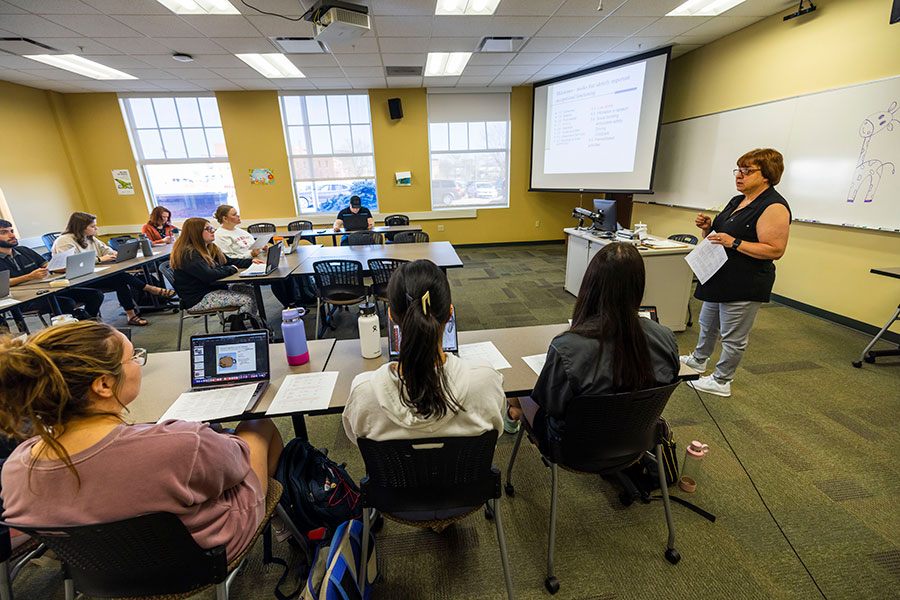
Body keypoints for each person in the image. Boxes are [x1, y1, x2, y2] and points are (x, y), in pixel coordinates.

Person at [0, 320, 283, 562]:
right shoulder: (183, 443)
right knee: (257, 425)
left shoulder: (15, 469)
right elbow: (236, 467)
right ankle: (289, 518)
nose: (138, 362)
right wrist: (214, 438)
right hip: (203, 556)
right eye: (134, 356)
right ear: (104, 385)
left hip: (96, 569)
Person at [505, 243, 680, 445]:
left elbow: (549, 404)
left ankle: (513, 412)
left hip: (573, 447)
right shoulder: (665, 337)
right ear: (639, 286)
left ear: (590, 284)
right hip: (636, 436)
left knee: (517, 391)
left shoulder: (567, 347)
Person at [343, 259, 504, 444]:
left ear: (391, 317)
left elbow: (356, 438)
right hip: (463, 474)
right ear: (450, 314)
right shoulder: (487, 382)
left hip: (397, 474)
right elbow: (496, 430)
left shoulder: (363, 391)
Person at [680, 148, 791, 397]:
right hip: (719, 275)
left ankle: (721, 380)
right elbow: (718, 236)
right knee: (707, 324)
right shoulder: (737, 200)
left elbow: (775, 249)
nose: (739, 176)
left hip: (745, 281)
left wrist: (735, 243)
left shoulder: (774, 206)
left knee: (732, 336)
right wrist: (708, 228)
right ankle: (698, 360)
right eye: (738, 170)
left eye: (747, 171)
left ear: (767, 175)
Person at [51, 212, 175, 326]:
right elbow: (72, 263)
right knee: (120, 278)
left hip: (91, 275)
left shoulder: (90, 238)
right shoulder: (64, 241)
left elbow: (106, 250)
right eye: (93, 226)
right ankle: (149, 289)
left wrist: (114, 254)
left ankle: (131, 315)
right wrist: (100, 260)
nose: (96, 229)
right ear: (81, 227)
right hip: (75, 280)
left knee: (120, 279)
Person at [0, 219, 103, 322]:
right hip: (23, 299)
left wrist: (64, 268)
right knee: (66, 303)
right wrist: (29, 277)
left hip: (46, 290)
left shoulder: (24, 250)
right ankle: (71, 330)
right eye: (4, 232)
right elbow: (2, 284)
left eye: (12, 231)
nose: (12, 235)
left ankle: (87, 323)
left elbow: (48, 265)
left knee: (95, 295)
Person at [171, 217, 259, 316]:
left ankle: (246, 323)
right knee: (247, 300)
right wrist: (231, 269)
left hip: (213, 289)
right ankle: (244, 327)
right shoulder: (189, 253)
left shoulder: (209, 247)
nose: (213, 231)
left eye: (212, 228)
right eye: (208, 229)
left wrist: (251, 262)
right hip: (198, 297)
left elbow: (228, 261)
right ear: (196, 232)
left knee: (253, 292)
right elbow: (208, 275)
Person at [212, 205, 295, 308]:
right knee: (278, 276)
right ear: (225, 218)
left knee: (288, 271)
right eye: (234, 214)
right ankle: (289, 306)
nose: (238, 216)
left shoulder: (240, 231)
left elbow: (252, 247)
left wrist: (261, 248)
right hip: (243, 267)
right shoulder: (219, 236)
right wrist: (250, 254)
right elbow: (227, 259)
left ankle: (299, 300)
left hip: (256, 261)